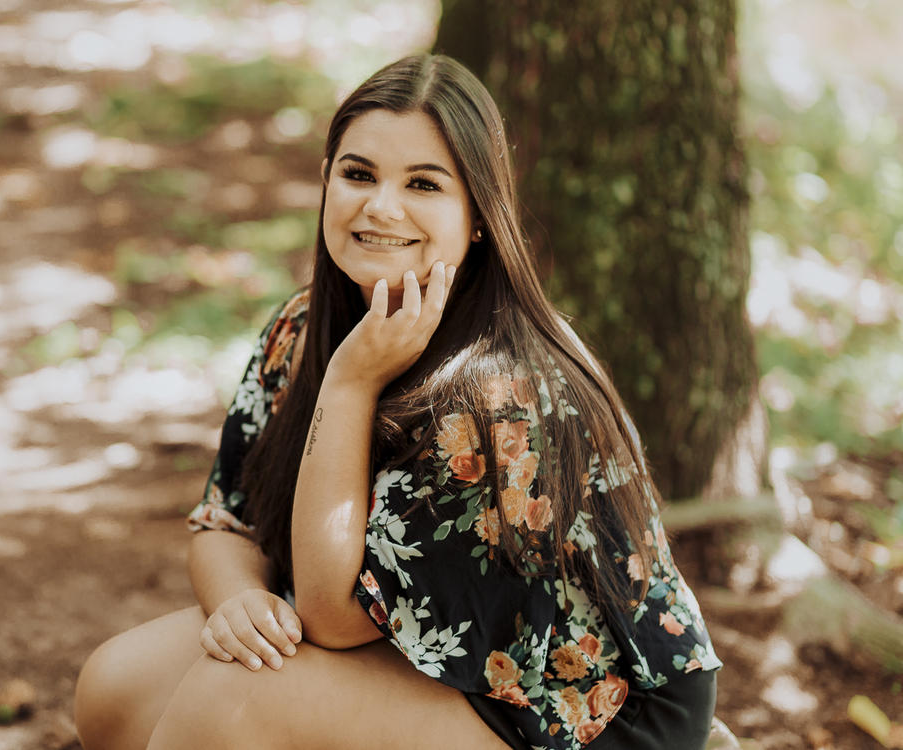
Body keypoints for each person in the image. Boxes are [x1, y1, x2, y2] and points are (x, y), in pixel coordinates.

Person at [74, 53, 722, 750]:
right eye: (358, 174)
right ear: (326, 182)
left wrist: (352, 383)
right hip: (430, 649)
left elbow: (332, 618)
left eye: (423, 183)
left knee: (232, 702)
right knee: (118, 687)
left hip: (574, 709)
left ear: (478, 217)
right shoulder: (302, 328)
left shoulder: (498, 394)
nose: (381, 207)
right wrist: (241, 603)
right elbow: (223, 520)